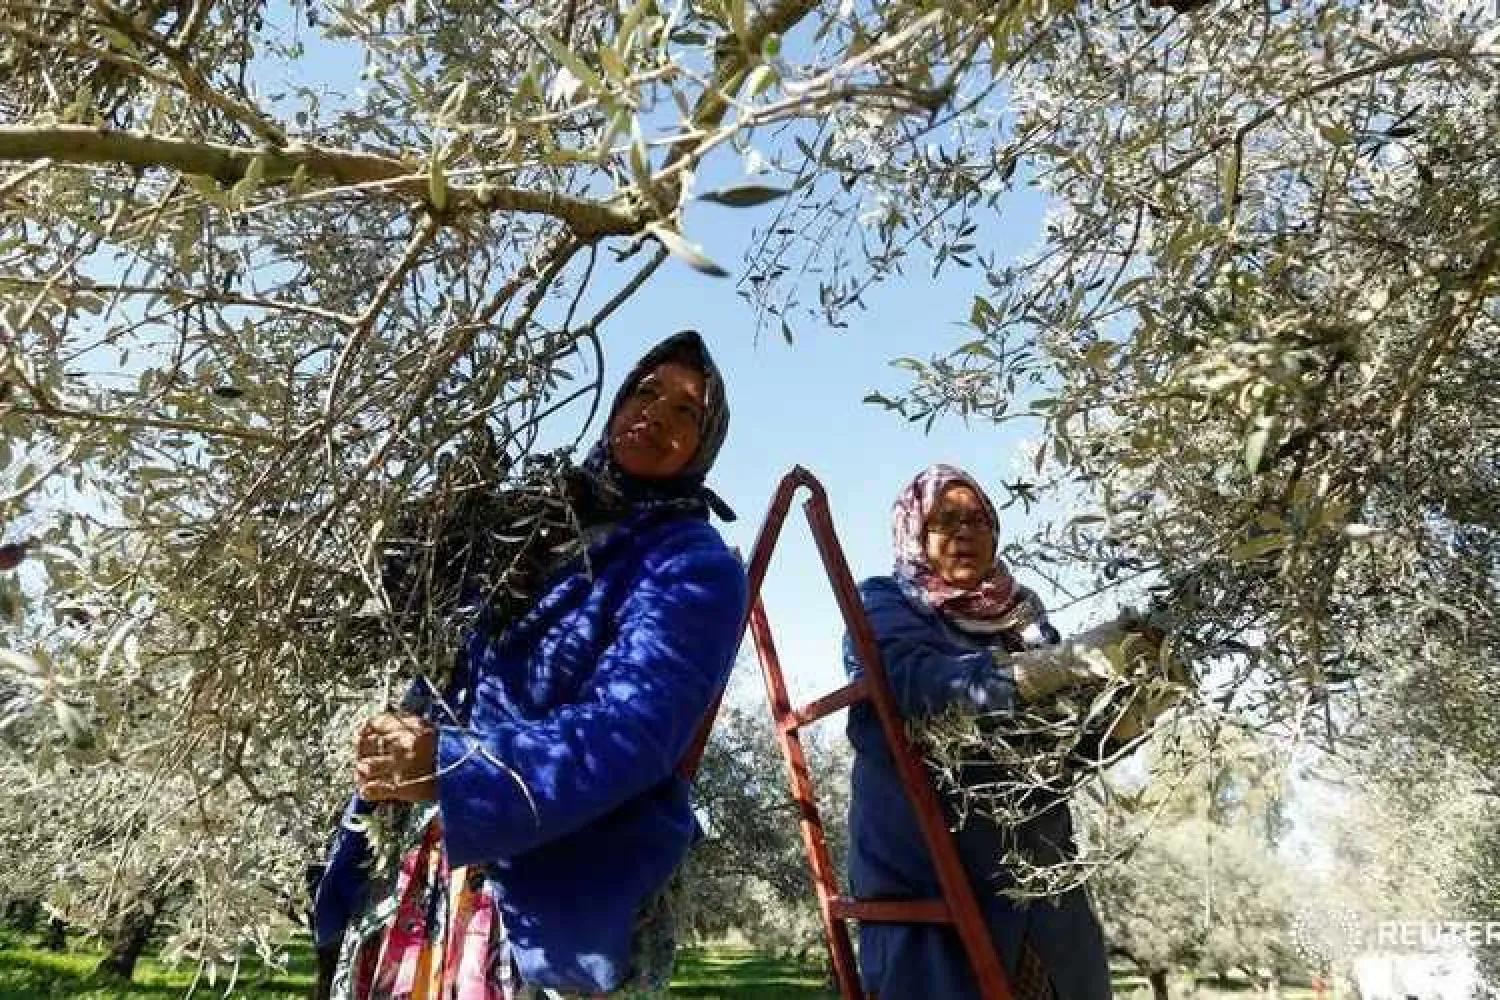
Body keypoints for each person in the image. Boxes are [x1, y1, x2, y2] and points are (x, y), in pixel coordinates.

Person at [312, 331, 748, 1000]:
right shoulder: (536, 524)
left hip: (540, 898)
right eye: (646, 391)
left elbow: (629, 734)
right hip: (420, 867)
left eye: (687, 412)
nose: (657, 413)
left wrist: (450, 767)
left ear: (705, 444)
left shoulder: (694, 565)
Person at [845, 464, 1178, 1000]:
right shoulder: (886, 602)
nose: (965, 531)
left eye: (978, 518)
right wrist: (1053, 667)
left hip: (1043, 893)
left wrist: (1131, 716)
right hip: (934, 885)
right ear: (914, 530)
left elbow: (1058, 752)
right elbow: (910, 684)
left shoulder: (1026, 617)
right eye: (944, 519)